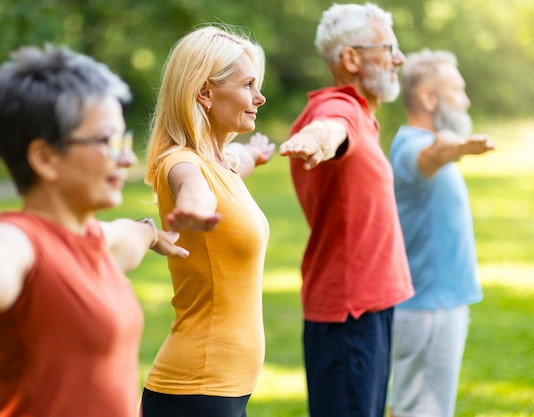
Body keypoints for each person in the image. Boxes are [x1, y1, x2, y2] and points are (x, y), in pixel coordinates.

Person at [0, 45, 188, 417]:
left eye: (123, 139)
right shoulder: (20, 244)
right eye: (106, 141)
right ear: (45, 158)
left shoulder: (95, 239)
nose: (127, 159)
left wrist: (153, 234)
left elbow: (128, 236)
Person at [279, 4, 414, 417]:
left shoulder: (363, 116)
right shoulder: (341, 108)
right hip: (348, 314)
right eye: (388, 47)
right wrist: (318, 138)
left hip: (368, 306)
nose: (399, 58)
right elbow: (330, 126)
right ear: (351, 59)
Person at [140, 24, 275, 417]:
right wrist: (193, 207)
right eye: (248, 84)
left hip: (222, 388)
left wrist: (256, 155)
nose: (259, 96)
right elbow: (193, 187)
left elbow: (237, 163)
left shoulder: (222, 163)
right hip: (196, 390)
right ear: (204, 92)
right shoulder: (181, 163)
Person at [388, 49, 495, 417]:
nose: (465, 100)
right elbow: (432, 155)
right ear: (428, 97)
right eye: (457, 90)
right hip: (426, 309)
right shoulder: (410, 146)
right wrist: (459, 147)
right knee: (420, 410)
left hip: (439, 305)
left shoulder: (420, 144)